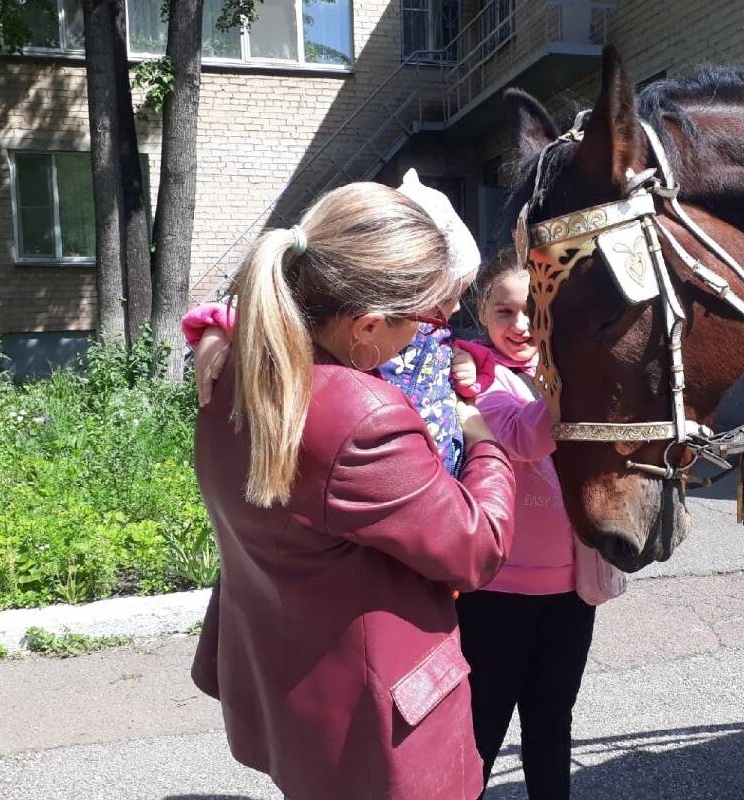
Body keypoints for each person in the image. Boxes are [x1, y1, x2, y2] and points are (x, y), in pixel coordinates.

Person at [189, 180, 516, 800]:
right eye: (425, 318)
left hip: (292, 691)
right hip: (371, 733)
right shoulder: (361, 414)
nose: (435, 330)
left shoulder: (234, 369)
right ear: (366, 325)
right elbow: (479, 547)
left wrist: (214, 329)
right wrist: (485, 436)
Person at [450, 251, 626, 800]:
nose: (520, 325)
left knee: (552, 724)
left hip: (570, 591)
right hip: (496, 590)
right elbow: (527, 437)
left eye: (533, 311)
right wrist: (577, 371)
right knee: (483, 727)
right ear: (484, 314)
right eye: (504, 312)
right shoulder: (482, 376)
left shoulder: (555, 372)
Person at [186, 169, 480, 477]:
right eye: (447, 298)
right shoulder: (383, 320)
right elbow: (267, 312)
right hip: (399, 469)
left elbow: (457, 354)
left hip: (443, 463)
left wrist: (471, 362)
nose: (456, 308)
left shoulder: (417, 324)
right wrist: (216, 331)